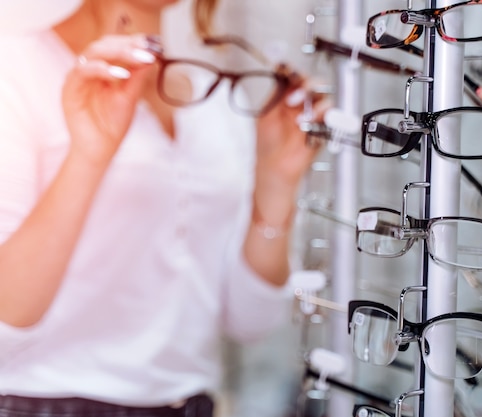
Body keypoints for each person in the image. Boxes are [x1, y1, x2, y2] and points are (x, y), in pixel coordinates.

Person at [0, 0, 327, 415]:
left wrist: (276, 184)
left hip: (188, 403)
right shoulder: (14, 69)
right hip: (41, 402)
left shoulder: (217, 97)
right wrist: (89, 156)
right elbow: (4, 317)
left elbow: (250, 321)